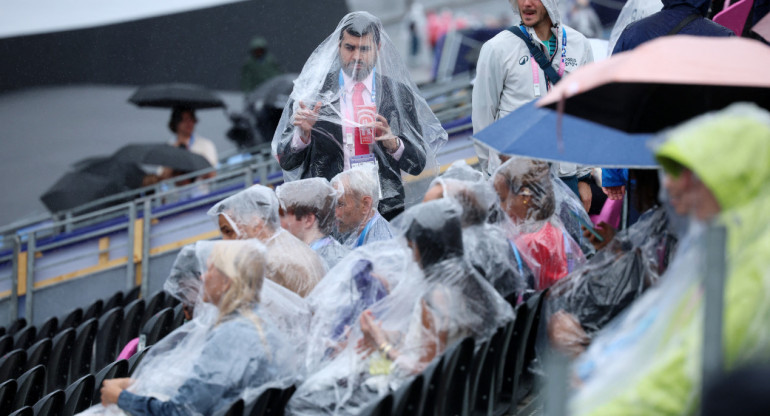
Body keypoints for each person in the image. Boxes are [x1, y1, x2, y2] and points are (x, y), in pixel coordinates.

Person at [569, 103, 770, 416]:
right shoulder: (724, 245)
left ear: (733, 176)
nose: (672, 185)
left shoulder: (751, 267)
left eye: (689, 172)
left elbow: (678, 380)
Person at [288, 199, 513, 415]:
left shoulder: (437, 298)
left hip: (417, 398)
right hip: (456, 390)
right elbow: (428, 340)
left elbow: (421, 370)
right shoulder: (467, 282)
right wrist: (383, 335)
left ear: (425, 248)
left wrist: (382, 344)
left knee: (309, 400)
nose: (412, 258)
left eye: (412, 248)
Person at [272, 11, 447, 220]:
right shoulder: (312, 93)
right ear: (338, 47)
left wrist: (393, 144)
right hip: (331, 211)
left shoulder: (398, 94)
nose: (356, 56)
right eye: (350, 47)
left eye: (364, 49)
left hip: (385, 210)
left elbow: (417, 165)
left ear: (378, 48)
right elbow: (287, 161)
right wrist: (302, 136)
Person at [94, 240, 295, 416]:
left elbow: (178, 412)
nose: (202, 277)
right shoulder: (259, 325)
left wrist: (120, 397)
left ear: (226, 282)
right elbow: (204, 390)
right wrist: (139, 386)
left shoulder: (231, 336)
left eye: (209, 270)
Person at [600, 0, 733, 208]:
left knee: (643, 236)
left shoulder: (634, 33)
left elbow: (614, 103)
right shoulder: (723, 38)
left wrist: (612, 173)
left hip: (642, 167)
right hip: (699, 169)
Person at [471, 0, 595, 207]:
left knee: (571, 240)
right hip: (517, 180)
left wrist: (583, 177)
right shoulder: (496, 48)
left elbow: (585, 115)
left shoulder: (578, 44)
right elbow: (483, 118)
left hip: (567, 177)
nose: (526, 3)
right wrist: (492, 175)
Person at [207, 184, 326, 297]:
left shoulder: (268, 264)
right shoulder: (291, 244)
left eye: (229, 232)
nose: (224, 241)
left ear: (255, 225)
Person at [493, 158, 585, 290]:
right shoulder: (553, 227)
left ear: (525, 196)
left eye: (503, 199)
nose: (501, 206)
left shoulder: (528, 243)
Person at [275, 177, 350, 269]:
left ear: (308, 220)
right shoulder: (337, 253)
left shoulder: (320, 265)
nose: (279, 223)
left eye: (283, 215)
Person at [331, 166, 393, 248]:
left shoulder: (379, 245)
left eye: (340, 204)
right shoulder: (355, 231)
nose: (334, 213)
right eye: (332, 204)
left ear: (365, 204)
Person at [166, 107, 218, 176]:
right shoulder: (168, 147)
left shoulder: (206, 144)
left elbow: (212, 173)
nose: (189, 123)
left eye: (191, 119)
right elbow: (163, 176)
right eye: (184, 120)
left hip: (201, 185)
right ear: (176, 123)